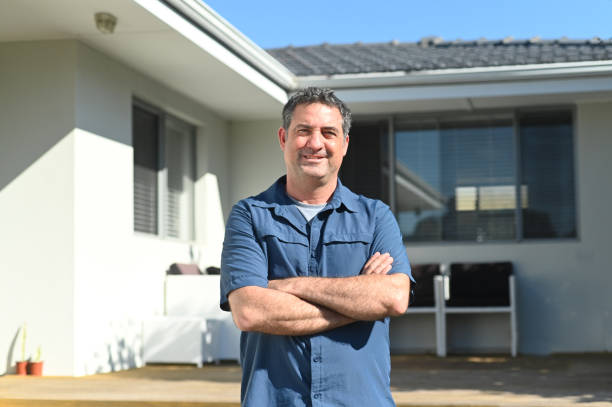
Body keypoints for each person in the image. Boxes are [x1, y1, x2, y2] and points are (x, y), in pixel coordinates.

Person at [220, 87, 413, 406]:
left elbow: (392, 298)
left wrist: (291, 286)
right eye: (303, 131)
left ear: (344, 143)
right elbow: (251, 312)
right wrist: (359, 304)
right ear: (283, 138)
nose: (315, 143)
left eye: (328, 132)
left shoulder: (375, 217)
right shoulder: (249, 215)